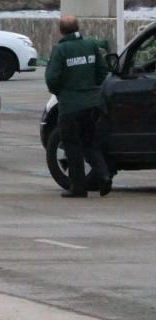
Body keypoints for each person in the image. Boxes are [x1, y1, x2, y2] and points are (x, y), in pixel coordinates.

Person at [45, 15, 111, 198]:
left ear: (61, 30)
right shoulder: (90, 45)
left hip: (71, 106)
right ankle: (103, 175)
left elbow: (51, 78)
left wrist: (60, 92)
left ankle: (78, 187)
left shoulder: (61, 50)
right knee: (90, 143)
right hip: (93, 103)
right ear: (77, 28)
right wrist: (92, 87)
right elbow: (102, 71)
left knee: (72, 145)